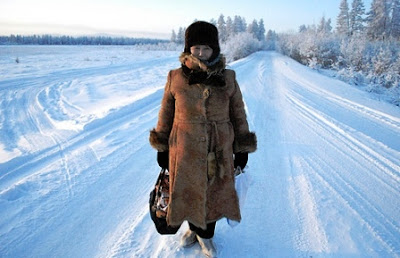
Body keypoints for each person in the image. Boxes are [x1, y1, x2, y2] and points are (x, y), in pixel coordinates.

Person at [149, 21, 257, 257]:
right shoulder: (175, 77)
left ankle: (206, 235)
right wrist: (162, 145)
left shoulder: (228, 78)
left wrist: (242, 146)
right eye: (196, 47)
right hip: (183, 147)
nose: (201, 53)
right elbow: (166, 112)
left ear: (215, 49)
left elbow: (238, 113)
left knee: (214, 194)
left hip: (218, 148)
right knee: (187, 193)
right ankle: (193, 229)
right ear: (189, 48)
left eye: (206, 48)